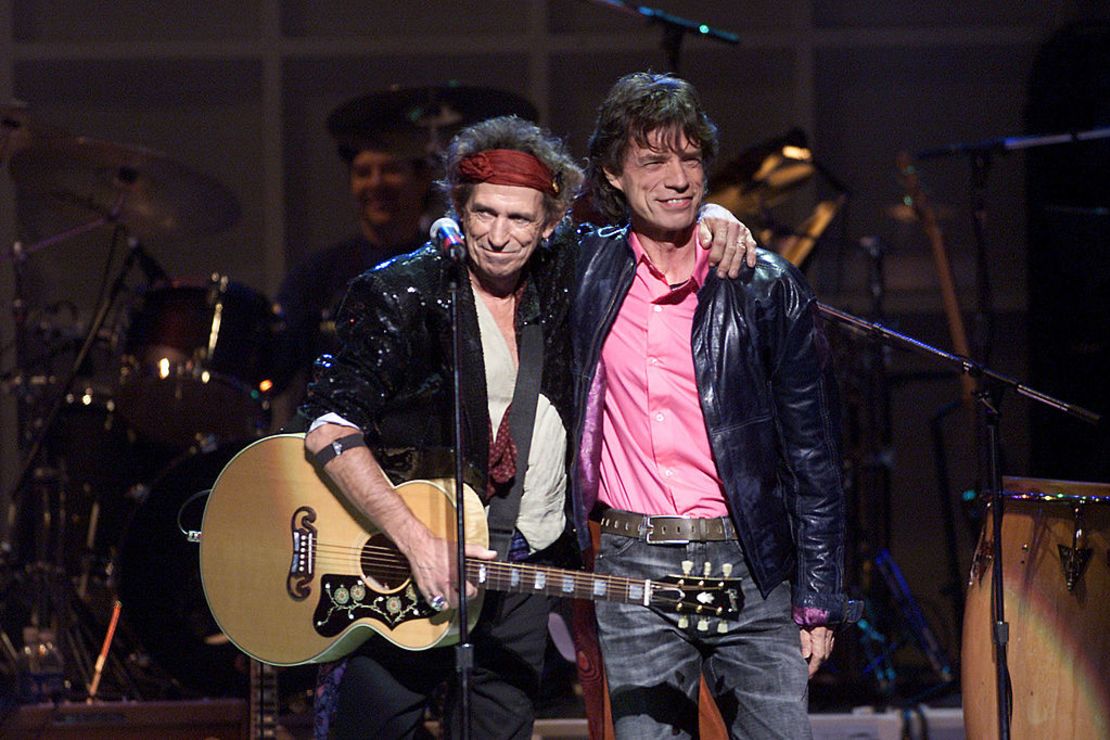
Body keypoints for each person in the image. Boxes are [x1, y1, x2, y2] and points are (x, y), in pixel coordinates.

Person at [300, 110, 754, 739]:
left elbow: (649, 231)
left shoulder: (568, 280)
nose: (499, 235)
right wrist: (414, 539)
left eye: (519, 218)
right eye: (484, 213)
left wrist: (712, 217)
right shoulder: (403, 291)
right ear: (460, 210)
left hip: (519, 572)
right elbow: (327, 426)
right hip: (402, 569)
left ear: (549, 225)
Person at [570, 72, 861, 738]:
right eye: (653, 160)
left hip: (752, 564)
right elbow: (511, 227)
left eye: (690, 158)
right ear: (614, 174)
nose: (677, 177)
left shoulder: (763, 282)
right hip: (632, 568)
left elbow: (815, 455)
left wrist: (818, 601)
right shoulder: (584, 272)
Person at [271, 86, 538, 423]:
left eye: (391, 170)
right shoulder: (316, 276)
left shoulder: (453, 264)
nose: (376, 184)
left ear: (424, 176)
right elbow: (277, 369)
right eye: (363, 173)